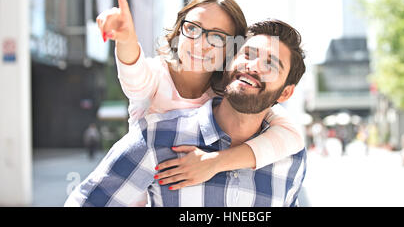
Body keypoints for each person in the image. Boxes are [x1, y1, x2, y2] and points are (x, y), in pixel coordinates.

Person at [65, 19, 307, 207]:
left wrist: (216, 163)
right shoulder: (159, 137)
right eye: (248, 54)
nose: (253, 66)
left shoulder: (291, 158)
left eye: (271, 64)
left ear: (285, 94)